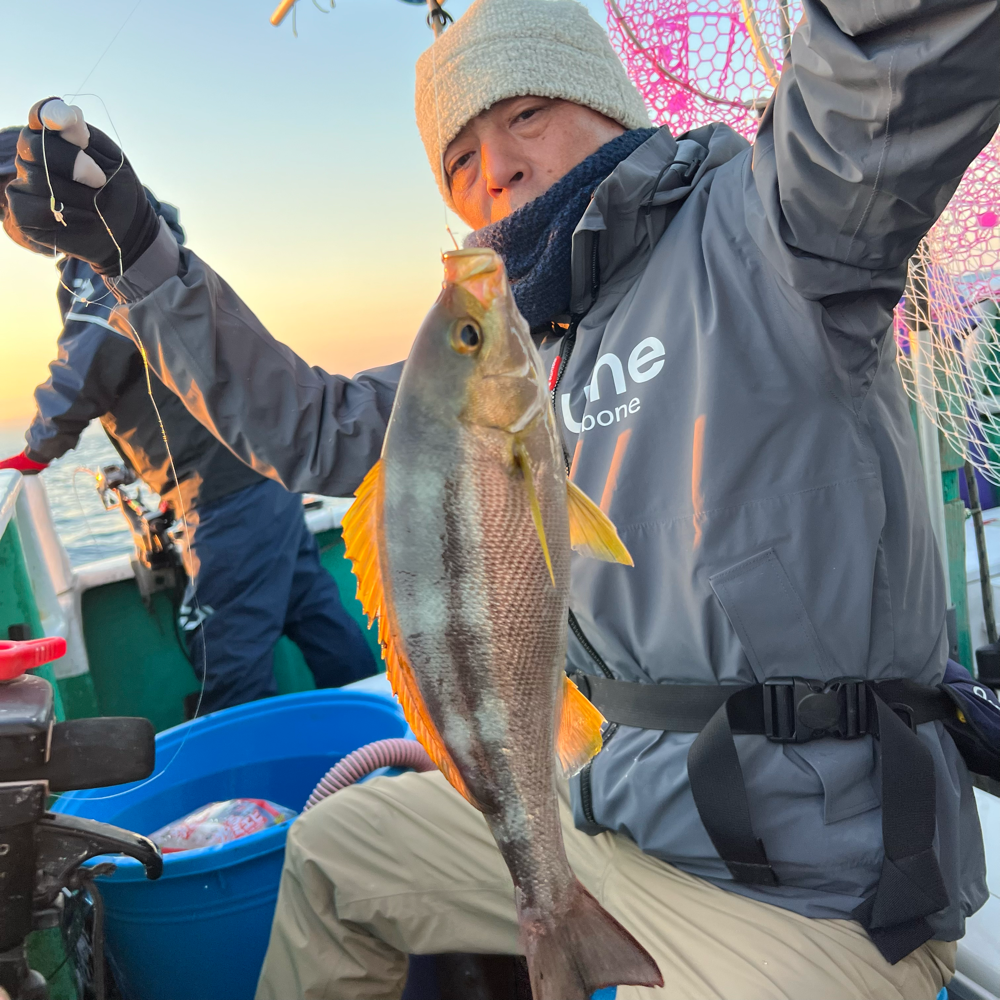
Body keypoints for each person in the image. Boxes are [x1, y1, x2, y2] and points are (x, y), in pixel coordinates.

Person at [3, 0, 999, 993]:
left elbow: (889, 67)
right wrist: (136, 253)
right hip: (594, 813)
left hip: (815, 889)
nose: (498, 169)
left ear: (608, 103)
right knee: (335, 854)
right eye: (460, 158)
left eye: (525, 113)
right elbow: (312, 425)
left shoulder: (774, 230)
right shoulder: (518, 344)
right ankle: (547, 903)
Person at [0, 127, 377, 714]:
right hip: (260, 481)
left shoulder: (99, 258)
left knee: (226, 668)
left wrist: (37, 448)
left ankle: (260, 777)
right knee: (320, 621)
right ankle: (389, 746)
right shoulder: (142, 244)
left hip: (226, 497)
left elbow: (86, 365)